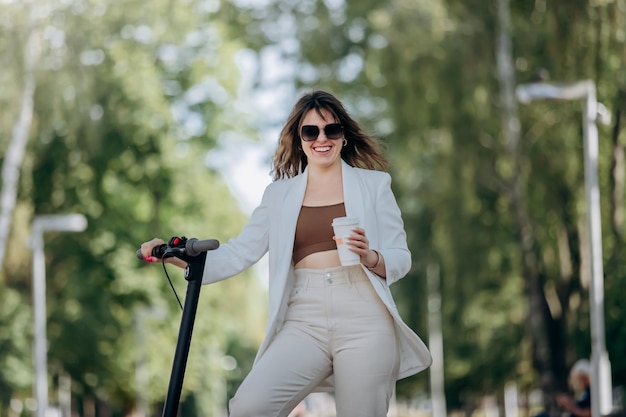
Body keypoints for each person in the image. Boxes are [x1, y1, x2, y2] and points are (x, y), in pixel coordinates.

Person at [140, 90, 432, 417]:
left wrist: (371, 256)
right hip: (303, 317)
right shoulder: (279, 195)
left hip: (364, 315)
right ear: (299, 139)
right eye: (311, 131)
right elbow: (237, 253)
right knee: (249, 407)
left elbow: (400, 256)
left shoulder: (374, 185)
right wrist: (172, 254)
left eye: (331, 130)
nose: (322, 138)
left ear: (344, 136)